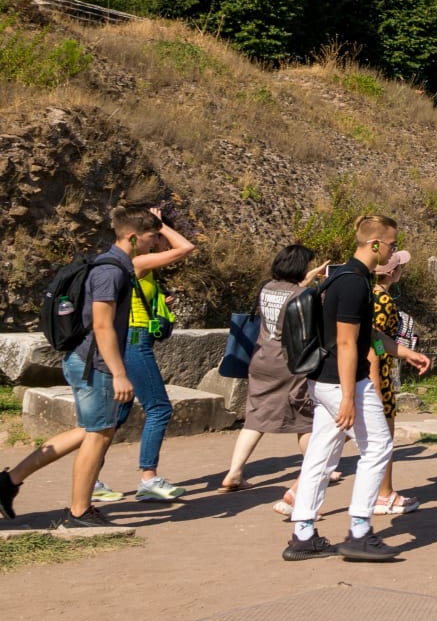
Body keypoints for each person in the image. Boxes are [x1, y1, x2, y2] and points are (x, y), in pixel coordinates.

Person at [0, 207, 175, 521]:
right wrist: (119, 373)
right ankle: (79, 512)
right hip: (95, 365)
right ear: (133, 237)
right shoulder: (111, 272)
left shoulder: (115, 265)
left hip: (87, 362)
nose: (155, 243)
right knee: (99, 434)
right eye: (152, 237)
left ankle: (8, 482)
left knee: (89, 430)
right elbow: (103, 326)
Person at [283, 214, 401, 563]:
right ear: (375, 244)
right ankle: (359, 531)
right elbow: (347, 342)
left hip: (324, 379)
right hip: (344, 382)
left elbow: (364, 333)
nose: (393, 253)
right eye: (392, 245)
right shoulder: (353, 284)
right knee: (378, 446)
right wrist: (349, 396)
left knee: (321, 454)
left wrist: (404, 351)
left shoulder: (344, 277)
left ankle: (303, 534)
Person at [218, 245, 325, 507]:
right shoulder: (303, 295)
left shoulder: (266, 288)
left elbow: (287, 295)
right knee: (306, 419)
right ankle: (314, 470)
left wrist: (309, 278)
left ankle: (234, 472)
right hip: (289, 364)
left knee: (255, 417)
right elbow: (310, 320)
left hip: (261, 359)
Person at [120, 207, 197, 502]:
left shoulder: (142, 266)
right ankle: (148, 479)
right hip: (134, 339)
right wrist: (161, 225)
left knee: (118, 413)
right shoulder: (138, 261)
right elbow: (186, 248)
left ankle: (93, 477)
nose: (159, 243)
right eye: (155, 237)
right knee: (159, 408)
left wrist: (160, 300)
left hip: (132, 338)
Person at [370, 249, 431, 513]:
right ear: (392, 273)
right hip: (378, 375)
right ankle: (384, 494)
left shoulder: (366, 294)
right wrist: (384, 362)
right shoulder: (383, 300)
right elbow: (375, 341)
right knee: (383, 437)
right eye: (400, 267)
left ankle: (299, 490)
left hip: (372, 371)